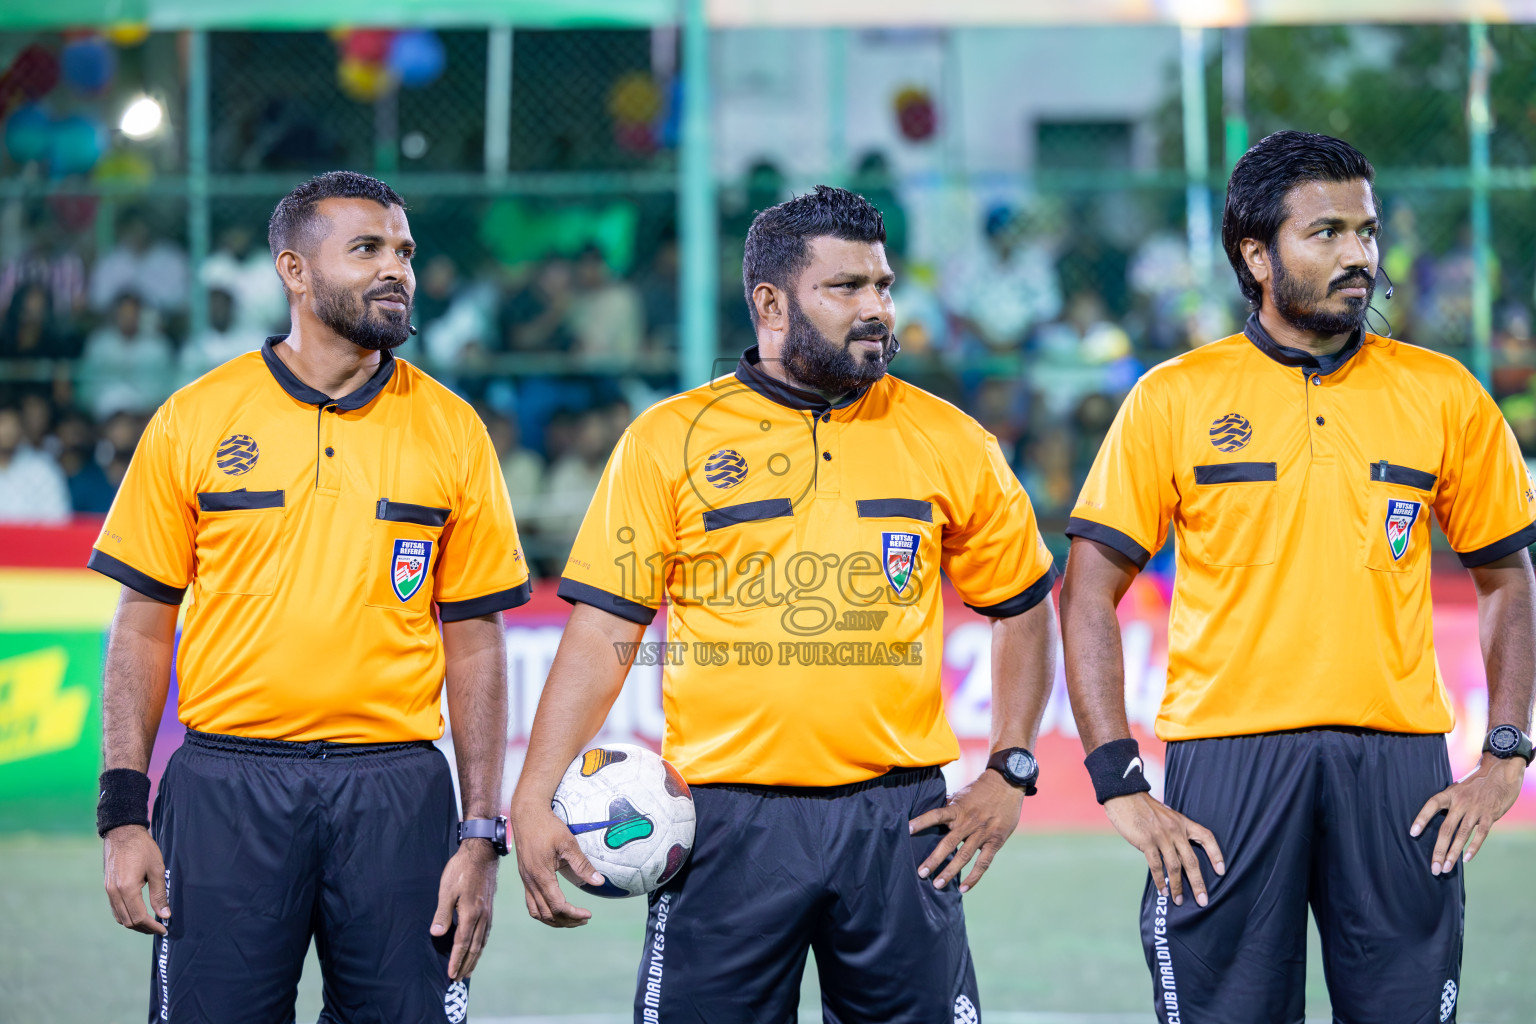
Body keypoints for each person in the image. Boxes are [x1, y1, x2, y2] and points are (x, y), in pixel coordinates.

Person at [510, 186, 1061, 1023]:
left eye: (882, 285)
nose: (876, 308)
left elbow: (1021, 606)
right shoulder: (669, 439)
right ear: (770, 302)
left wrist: (1012, 768)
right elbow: (605, 633)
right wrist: (534, 790)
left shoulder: (951, 439)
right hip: (726, 822)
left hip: (901, 822)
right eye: (846, 288)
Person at [1059, 131, 1536, 1024]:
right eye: (1326, 233)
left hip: (1400, 770)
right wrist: (1118, 777)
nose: (1358, 255)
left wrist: (1506, 750)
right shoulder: (1175, 396)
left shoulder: (1444, 395)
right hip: (1227, 763)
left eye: (1367, 230)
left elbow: (1508, 575)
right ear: (1256, 252)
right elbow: (1088, 586)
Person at [90, 171, 530, 1023]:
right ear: (294, 270)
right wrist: (122, 814)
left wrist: (481, 834)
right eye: (367, 249)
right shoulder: (195, 418)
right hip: (226, 787)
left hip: (398, 792)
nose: (396, 267)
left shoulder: (453, 429)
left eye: (403, 249)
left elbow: (475, 638)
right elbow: (142, 627)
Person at [78, 290, 175, 420]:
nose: (128, 317)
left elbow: (166, 388)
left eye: (133, 313)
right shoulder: (99, 343)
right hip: (105, 418)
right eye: (124, 313)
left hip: (145, 416)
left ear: (140, 314)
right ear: (116, 314)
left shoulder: (157, 346)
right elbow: (87, 388)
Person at [0, 397, 70, 523]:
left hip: (32, 541)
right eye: (2, 423)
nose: (8, 431)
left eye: (14, 424)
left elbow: (58, 521)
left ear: (22, 428)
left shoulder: (43, 469)